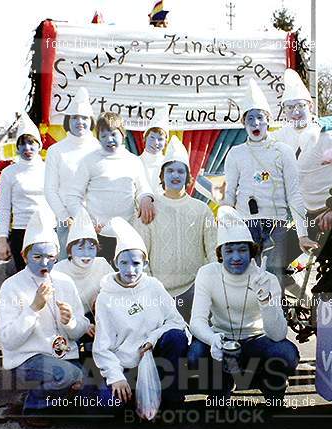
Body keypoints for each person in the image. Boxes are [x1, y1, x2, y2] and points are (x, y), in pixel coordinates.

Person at [188, 206, 299, 403]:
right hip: (221, 340)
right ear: (220, 253)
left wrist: (265, 300)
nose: (236, 257)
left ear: (252, 251)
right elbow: (197, 321)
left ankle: (268, 382)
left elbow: (278, 334)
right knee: (195, 353)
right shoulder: (207, 273)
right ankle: (220, 385)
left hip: (257, 340)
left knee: (285, 353)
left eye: (242, 250)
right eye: (229, 250)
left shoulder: (267, 279)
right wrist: (212, 339)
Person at [0, 208, 91, 426]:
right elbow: (8, 339)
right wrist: (33, 309)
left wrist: (71, 321)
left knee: (92, 389)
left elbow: (80, 328)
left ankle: (52, 397)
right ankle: (33, 406)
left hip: (64, 354)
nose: (44, 263)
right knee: (69, 376)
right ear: (24, 256)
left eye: (50, 257)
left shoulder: (64, 281)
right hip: (28, 357)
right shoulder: (11, 286)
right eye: (37, 257)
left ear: (57, 256)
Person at [222, 78, 315, 287]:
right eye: (250, 119)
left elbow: (294, 194)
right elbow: (229, 194)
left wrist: (302, 234)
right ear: (243, 124)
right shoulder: (235, 154)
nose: (255, 123)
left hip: (277, 225)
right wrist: (225, 223)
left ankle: (276, 319)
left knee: (274, 278)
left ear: (268, 120)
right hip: (246, 225)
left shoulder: (283, 151)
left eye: (260, 118)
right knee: (246, 279)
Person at [92, 217, 188, 412]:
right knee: (105, 405)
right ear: (115, 261)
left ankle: (170, 399)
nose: (130, 270)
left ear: (145, 263)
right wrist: (115, 377)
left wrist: (153, 338)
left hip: (157, 358)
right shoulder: (106, 297)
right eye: (124, 263)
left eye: (136, 263)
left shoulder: (153, 286)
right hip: (125, 364)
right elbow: (102, 347)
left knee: (176, 337)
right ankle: (134, 394)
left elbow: (176, 321)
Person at [135, 136, 216, 321]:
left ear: (188, 177)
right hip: (158, 292)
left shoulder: (202, 210)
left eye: (181, 171)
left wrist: (210, 286)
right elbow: (140, 254)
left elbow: (213, 251)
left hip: (195, 291)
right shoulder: (150, 208)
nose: (175, 175)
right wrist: (149, 288)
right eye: (170, 171)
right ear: (162, 176)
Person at [273, 68, 332, 245]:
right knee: (276, 260)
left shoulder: (326, 137)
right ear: (284, 110)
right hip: (305, 214)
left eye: (300, 106)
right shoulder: (280, 139)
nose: (295, 112)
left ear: (310, 106)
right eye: (290, 107)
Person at [66, 112, 155, 264]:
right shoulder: (89, 161)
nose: (109, 139)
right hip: (97, 234)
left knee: (124, 275)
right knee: (99, 277)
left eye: (113, 134)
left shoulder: (133, 161)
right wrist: (86, 222)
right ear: (98, 137)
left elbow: (143, 188)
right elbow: (73, 196)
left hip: (127, 232)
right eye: (103, 136)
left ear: (123, 134)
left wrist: (146, 198)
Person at [44, 87, 100, 260]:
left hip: (97, 223)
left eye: (84, 118)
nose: (80, 122)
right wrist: (64, 217)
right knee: (65, 269)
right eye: (75, 118)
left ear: (91, 120)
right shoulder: (56, 150)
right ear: (68, 120)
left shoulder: (100, 148)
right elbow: (50, 189)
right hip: (65, 222)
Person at [53, 206, 113, 351]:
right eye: (80, 248)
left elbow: (116, 294)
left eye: (91, 248)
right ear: (70, 250)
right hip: (69, 321)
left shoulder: (102, 264)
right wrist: (82, 326)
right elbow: (57, 310)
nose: (86, 254)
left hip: (97, 318)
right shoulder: (58, 270)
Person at [0, 113, 50, 273]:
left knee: (47, 278)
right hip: (20, 232)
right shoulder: (9, 173)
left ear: (39, 145)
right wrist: (2, 240)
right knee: (24, 279)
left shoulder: (50, 169)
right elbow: (4, 208)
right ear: (17, 147)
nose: (27, 148)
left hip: (47, 231)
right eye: (22, 144)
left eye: (31, 143)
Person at [138, 107, 170, 192]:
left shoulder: (168, 164)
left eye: (160, 139)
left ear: (165, 143)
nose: (155, 143)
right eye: (152, 137)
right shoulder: (135, 162)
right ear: (145, 139)